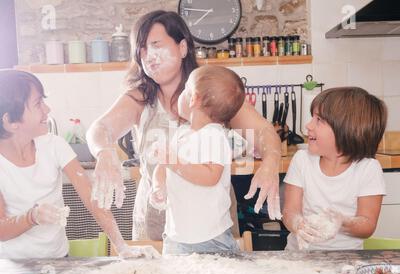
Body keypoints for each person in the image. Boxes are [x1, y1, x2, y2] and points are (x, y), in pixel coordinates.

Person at [87, 10, 282, 241]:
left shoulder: (211, 93)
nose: (148, 56)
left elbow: (263, 131)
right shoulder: (139, 98)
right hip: (156, 219)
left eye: (156, 45)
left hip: (211, 226)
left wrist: (270, 160)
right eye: (142, 50)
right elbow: (99, 129)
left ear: (182, 47)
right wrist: (104, 152)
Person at [0, 69, 159, 259]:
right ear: (10, 121)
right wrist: (31, 217)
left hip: (58, 259)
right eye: (37, 104)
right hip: (13, 268)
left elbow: (93, 199)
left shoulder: (54, 145)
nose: (47, 109)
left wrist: (121, 246)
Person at [149, 65, 244, 254]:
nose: (181, 93)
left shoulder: (215, 136)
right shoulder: (181, 133)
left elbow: (210, 176)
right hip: (176, 237)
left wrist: (174, 163)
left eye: (186, 89)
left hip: (211, 239)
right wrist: (158, 186)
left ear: (193, 98)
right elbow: (163, 167)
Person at [282, 87, 387, 250]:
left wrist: (342, 222)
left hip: (346, 261)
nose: (308, 125)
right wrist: (297, 224)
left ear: (347, 130)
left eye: (319, 120)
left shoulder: (368, 169)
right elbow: (290, 211)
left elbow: (367, 226)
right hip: (299, 258)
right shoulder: (301, 160)